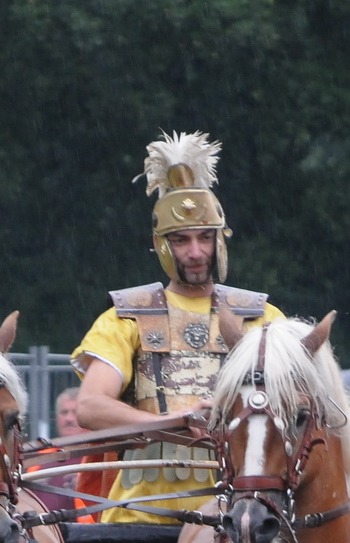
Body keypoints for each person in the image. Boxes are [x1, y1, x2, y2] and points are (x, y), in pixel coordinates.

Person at [71, 131, 284, 523]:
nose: (196, 252)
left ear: (221, 239)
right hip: (138, 516)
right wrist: (173, 423)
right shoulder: (126, 317)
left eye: (206, 238)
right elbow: (90, 407)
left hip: (240, 515)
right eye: (182, 240)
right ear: (160, 243)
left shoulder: (263, 318)